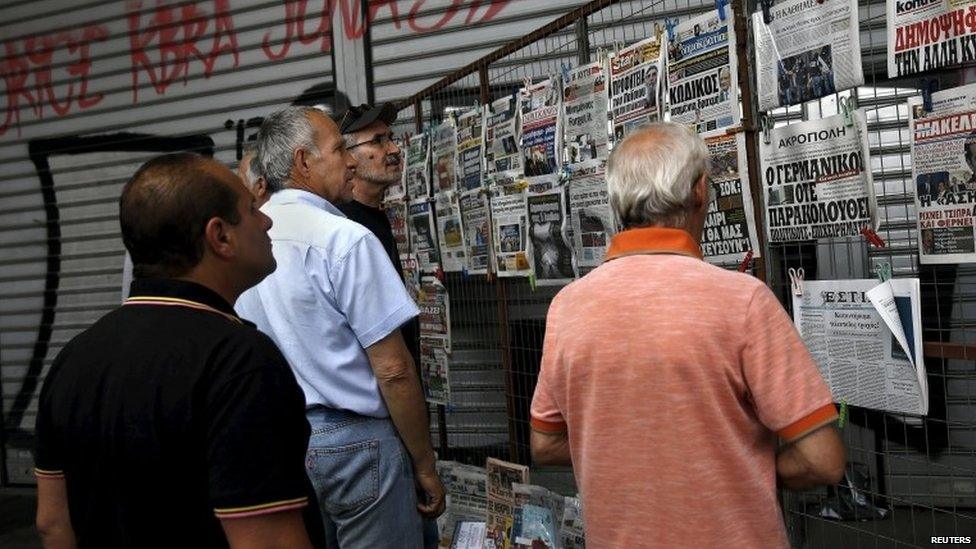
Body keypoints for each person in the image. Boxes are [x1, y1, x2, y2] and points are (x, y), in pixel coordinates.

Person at [529, 123, 846, 548]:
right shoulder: (743, 301)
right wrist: (728, 459)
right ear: (701, 191)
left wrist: (637, 452)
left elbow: (545, 443)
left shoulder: (567, 307)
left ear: (615, 200)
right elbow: (822, 461)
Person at [34, 153, 320, 548]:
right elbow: (268, 541)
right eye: (252, 209)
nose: (267, 220)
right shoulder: (240, 361)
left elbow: (53, 523)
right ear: (220, 236)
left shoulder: (73, 358)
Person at [236, 107, 446, 548]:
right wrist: (424, 465)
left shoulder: (246, 241)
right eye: (337, 150)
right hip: (356, 445)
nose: (350, 160)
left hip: (283, 443)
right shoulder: (343, 238)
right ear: (303, 162)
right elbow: (393, 369)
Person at [337, 101, 435, 548]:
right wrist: (423, 462)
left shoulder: (373, 221)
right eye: (377, 141)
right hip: (375, 430)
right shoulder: (350, 230)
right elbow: (390, 366)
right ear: (347, 158)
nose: (393, 148)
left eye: (391, 138)